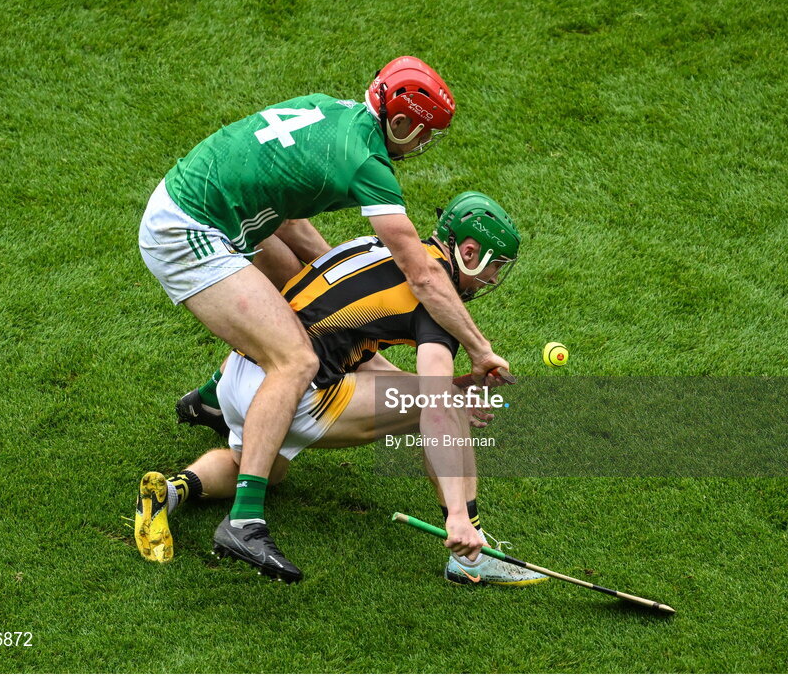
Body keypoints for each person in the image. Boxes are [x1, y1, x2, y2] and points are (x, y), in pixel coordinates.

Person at [138, 57, 511, 578]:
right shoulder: (369, 167)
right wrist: (476, 348)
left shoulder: (327, 112)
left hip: (206, 222)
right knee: (295, 358)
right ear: (400, 123)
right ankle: (245, 524)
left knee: (296, 301)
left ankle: (201, 427)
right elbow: (426, 292)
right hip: (188, 228)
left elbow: (288, 213)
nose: (422, 146)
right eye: (422, 135)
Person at [134, 192, 544, 587]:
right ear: (470, 253)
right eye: (496, 266)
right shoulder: (437, 307)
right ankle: (472, 555)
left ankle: (170, 492)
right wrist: (455, 511)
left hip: (243, 371)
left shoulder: (377, 245)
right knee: (447, 406)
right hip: (295, 391)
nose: (493, 279)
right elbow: (433, 409)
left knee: (269, 471)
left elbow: (357, 347)